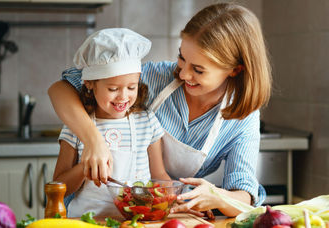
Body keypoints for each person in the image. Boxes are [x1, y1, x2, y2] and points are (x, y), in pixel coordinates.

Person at [49, 2, 271, 217]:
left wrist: (217, 196)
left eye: (198, 70)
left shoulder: (243, 117)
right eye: (182, 58)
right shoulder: (156, 77)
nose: (183, 74)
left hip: (163, 214)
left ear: (234, 70)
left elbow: (245, 194)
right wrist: (94, 141)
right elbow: (61, 88)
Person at [52, 28, 170, 218]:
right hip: (85, 221)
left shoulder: (146, 122)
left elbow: (159, 176)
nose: (123, 97)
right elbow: (59, 187)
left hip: (134, 221)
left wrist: (172, 197)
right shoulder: (76, 126)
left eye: (132, 87)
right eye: (113, 88)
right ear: (90, 83)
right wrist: (85, 168)